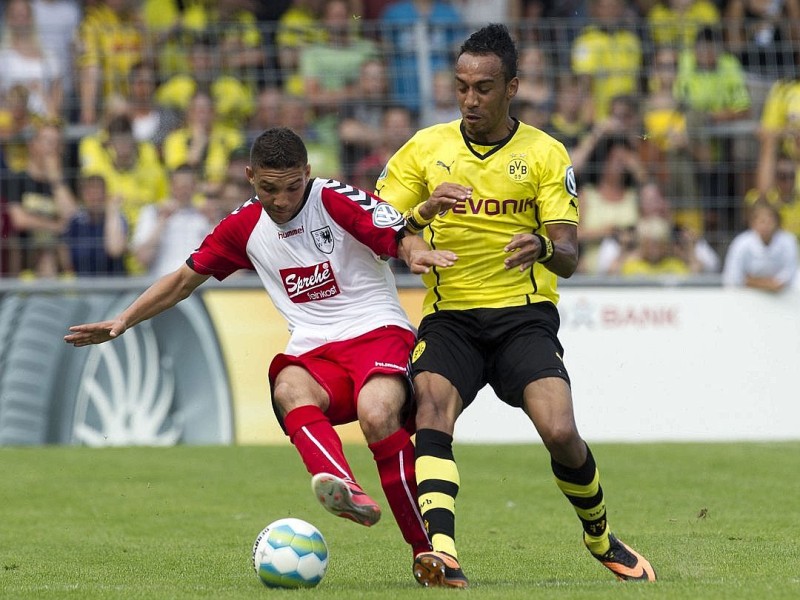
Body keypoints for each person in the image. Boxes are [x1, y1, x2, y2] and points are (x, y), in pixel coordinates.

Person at [64, 126, 458, 575]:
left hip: (376, 331)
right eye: (270, 188)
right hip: (315, 348)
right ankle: (344, 487)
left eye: (293, 187)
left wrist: (414, 252)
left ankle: (428, 550)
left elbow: (395, 232)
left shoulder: (333, 198)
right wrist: (122, 321)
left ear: (307, 174)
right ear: (250, 176)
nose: (283, 200)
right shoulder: (242, 226)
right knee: (287, 383)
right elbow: (181, 281)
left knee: (376, 410)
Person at [375, 23, 657, 588]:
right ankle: (444, 554)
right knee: (431, 410)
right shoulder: (426, 149)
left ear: (512, 88)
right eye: (460, 87)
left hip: (523, 317)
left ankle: (600, 536)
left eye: (483, 88)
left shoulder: (545, 154)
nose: (470, 99)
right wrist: (421, 223)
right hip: (450, 315)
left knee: (559, 430)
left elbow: (570, 255)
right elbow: (377, 226)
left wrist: (543, 245)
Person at [132, 164, 214, 279]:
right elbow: (142, 258)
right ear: (171, 186)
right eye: (179, 186)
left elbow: (218, 257)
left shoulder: (204, 216)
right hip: (162, 283)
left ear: (195, 187)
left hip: (198, 284)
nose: (183, 191)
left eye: (187, 187)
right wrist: (161, 221)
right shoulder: (152, 212)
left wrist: (213, 222)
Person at [60, 174, 128, 277]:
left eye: (98, 193)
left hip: (114, 286)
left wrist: (112, 212)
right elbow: (66, 263)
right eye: (90, 193)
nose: (95, 198)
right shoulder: (76, 222)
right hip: (83, 285)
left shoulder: (116, 218)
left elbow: (115, 250)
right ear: (82, 196)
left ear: (105, 195)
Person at [722, 200, 799, 291]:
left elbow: (790, 271)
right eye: (762, 221)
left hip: (783, 293)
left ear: (777, 222)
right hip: (746, 294)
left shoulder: (788, 241)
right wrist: (763, 284)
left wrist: (773, 283)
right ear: (752, 223)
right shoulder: (741, 243)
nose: (766, 226)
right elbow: (732, 275)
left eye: (770, 221)